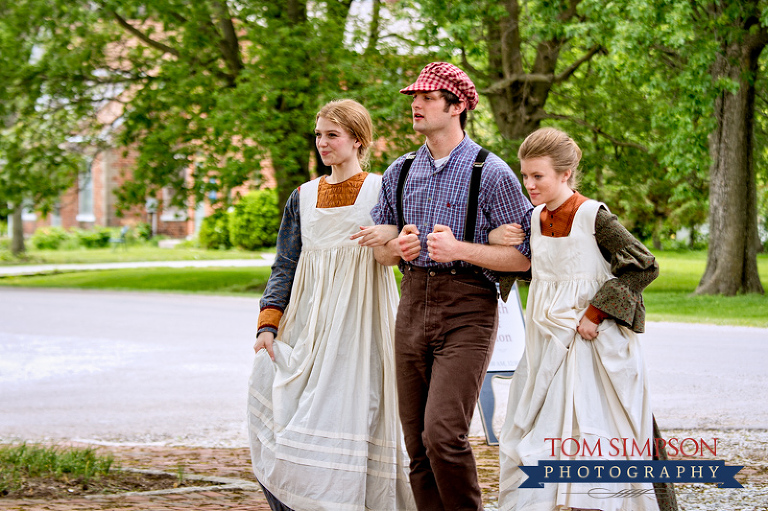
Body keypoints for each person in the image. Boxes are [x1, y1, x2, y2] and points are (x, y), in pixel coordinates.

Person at [369, 62, 533, 511]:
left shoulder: (492, 171)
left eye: (427, 97)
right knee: (415, 444)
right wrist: (396, 248)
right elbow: (380, 250)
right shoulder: (399, 171)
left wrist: (462, 248)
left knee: (443, 433)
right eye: (413, 97)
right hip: (411, 306)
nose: (416, 104)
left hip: (468, 310)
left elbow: (524, 257)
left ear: (457, 105)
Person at [494, 127, 677, 511]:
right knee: (540, 437)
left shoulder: (594, 216)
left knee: (594, 434)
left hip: (593, 345)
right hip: (546, 344)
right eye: (525, 175)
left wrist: (596, 311)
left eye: (537, 176)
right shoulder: (533, 218)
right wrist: (502, 243)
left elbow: (643, 266)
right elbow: (543, 273)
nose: (529, 183)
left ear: (565, 174)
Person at [248, 99, 415, 511]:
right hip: (308, 319)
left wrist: (390, 241)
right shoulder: (302, 196)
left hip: (361, 320)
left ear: (358, 140)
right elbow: (285, 264)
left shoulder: (382, 190)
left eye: (332, 135)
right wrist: (268, 323)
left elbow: (399, 253)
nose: (323, 142)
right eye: (319, 134)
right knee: (278, 400)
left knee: (350, 410)